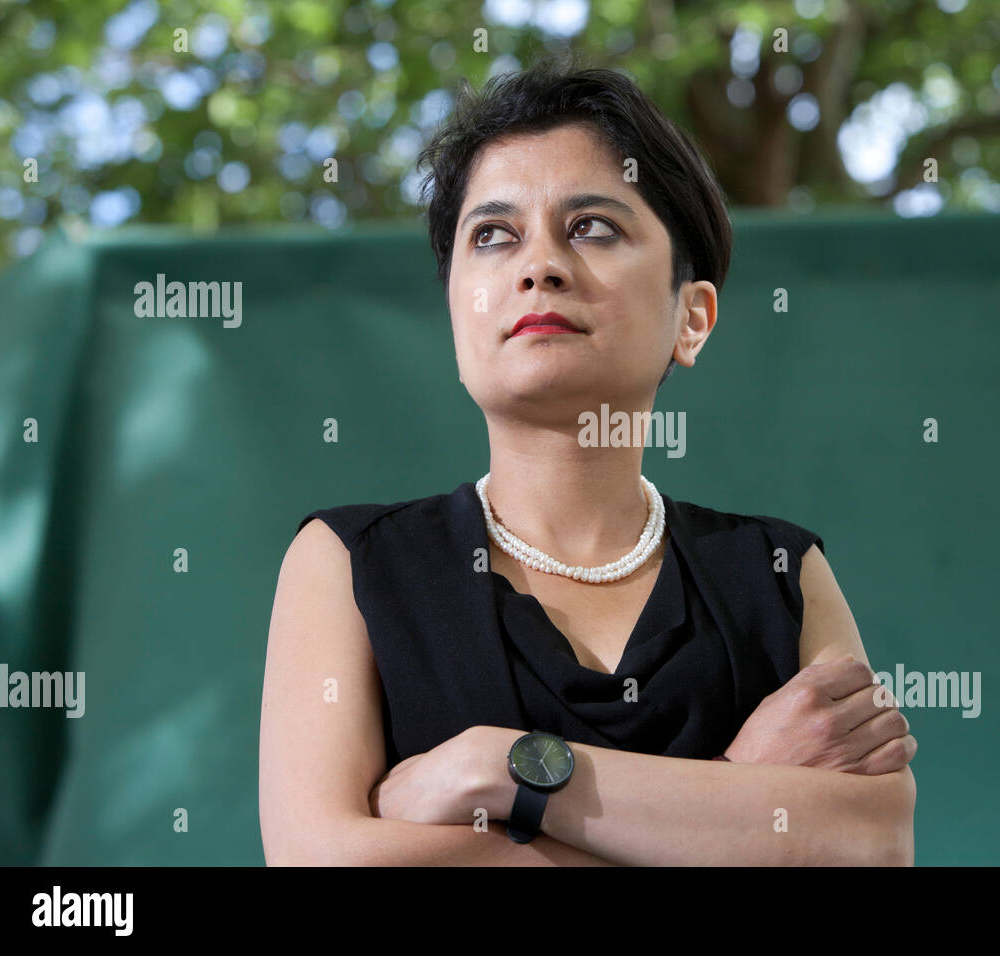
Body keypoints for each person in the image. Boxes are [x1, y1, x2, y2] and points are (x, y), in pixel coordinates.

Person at [259, 53, 917, 866]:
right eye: (493, 236)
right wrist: (735, 799)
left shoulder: (779, 573)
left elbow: (872, 842)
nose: (538, 265)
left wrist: (496, 772)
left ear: (693, 317)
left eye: (592, 227)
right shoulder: (350, 565)